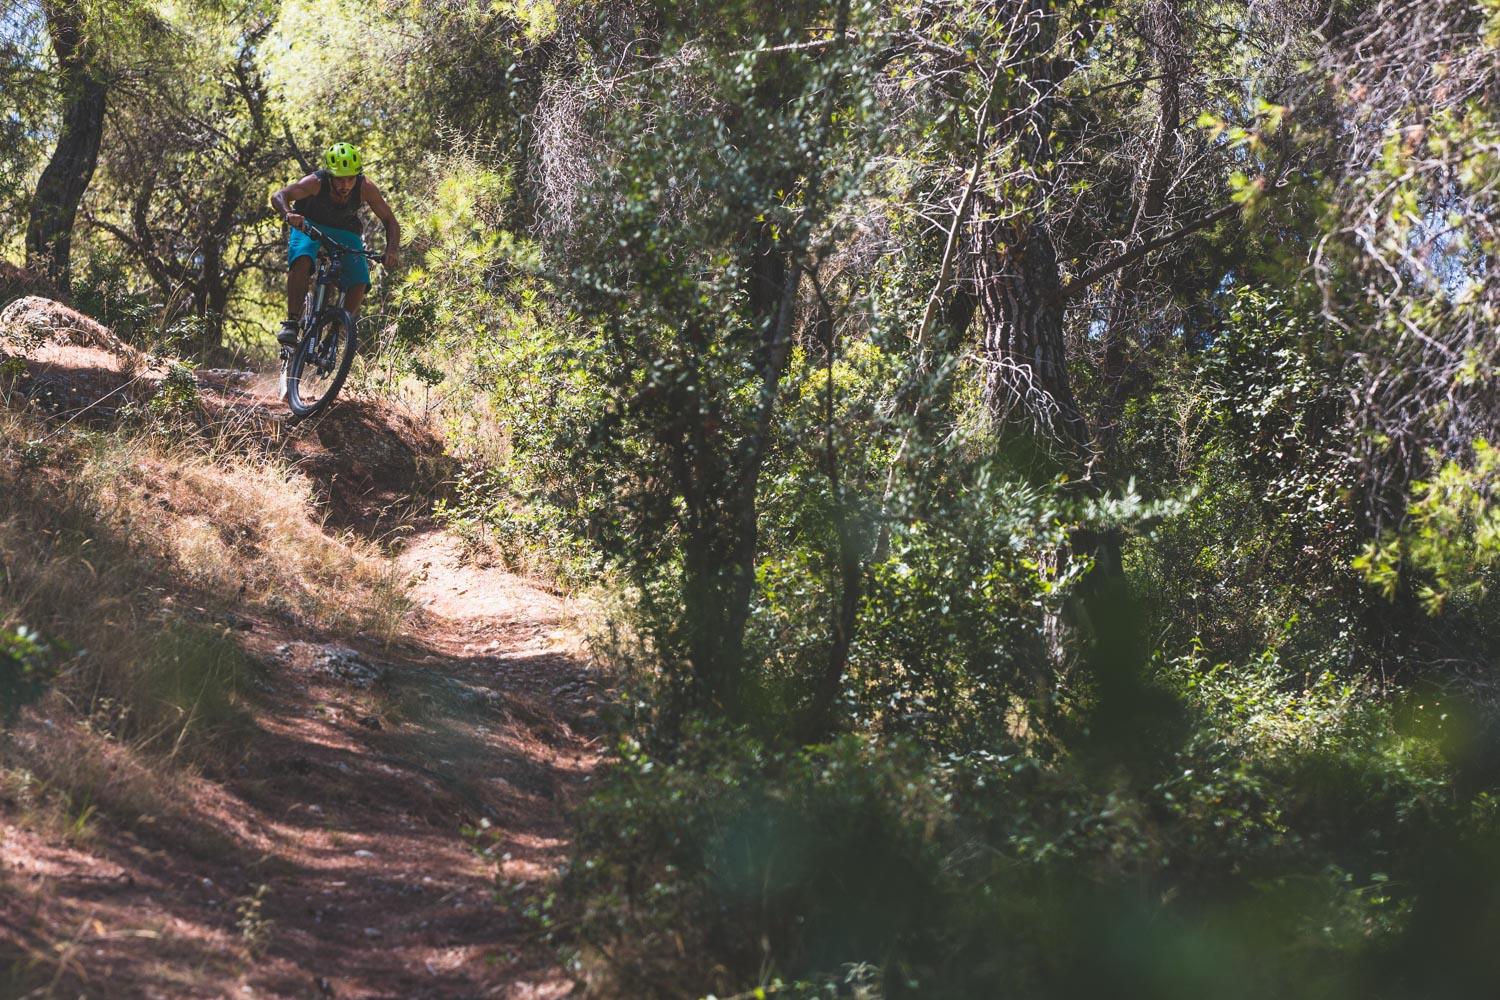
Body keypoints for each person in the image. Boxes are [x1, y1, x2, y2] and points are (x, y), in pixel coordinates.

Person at [270, 141, 400, 348]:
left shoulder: (365, 187)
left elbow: (390, 221)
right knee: (302, 258)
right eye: (340, 179)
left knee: (360, 280)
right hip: (308, 223)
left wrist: (391, 250)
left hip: (343, 231)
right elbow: (279, 195)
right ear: (330, 176)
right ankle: (292, 323)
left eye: (350, 179)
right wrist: (289, 214)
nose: (345, 185)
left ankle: (333, 338)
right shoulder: (315, 182)